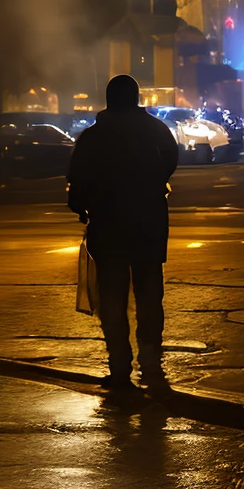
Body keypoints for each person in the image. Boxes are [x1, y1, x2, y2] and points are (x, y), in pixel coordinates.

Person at [66, 76, 180, 388]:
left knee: (112, 298)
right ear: (136, 98)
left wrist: (83, 205)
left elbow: (76, 181)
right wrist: (153, 183)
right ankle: (150, 362)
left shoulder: (93, 136)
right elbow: (171, 158)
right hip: (149, 223)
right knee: (149, 295)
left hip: (108, 224)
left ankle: (119, 365)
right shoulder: (155, 129)